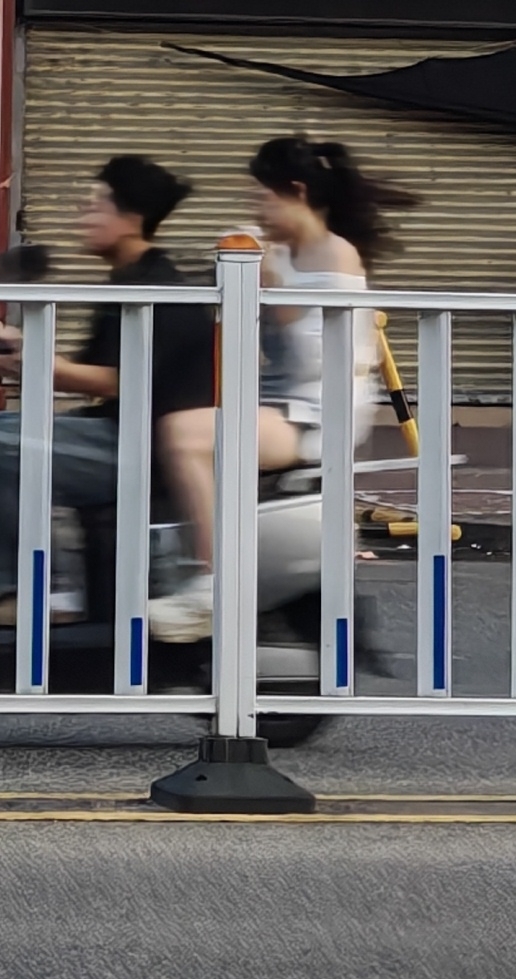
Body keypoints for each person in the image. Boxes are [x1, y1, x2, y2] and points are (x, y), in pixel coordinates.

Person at [147, 136, 419, 641]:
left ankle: (215, 586)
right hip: (274, 400)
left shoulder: (336, 255)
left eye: (263, 197)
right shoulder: (279, 251)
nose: (256, 208)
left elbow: (327, 360)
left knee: (183, 435)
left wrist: (273, 287)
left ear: (297, 192)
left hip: (316, 413)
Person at [0, 154, 212, 628]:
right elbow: (88, 372)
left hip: (145, 448)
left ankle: (24, 590)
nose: (83, 215)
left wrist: (36, 361)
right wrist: (15, 351)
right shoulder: (128, 280)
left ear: (131, 219)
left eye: (96, 206)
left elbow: (119, 379)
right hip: (116, 431)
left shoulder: (159, 289)